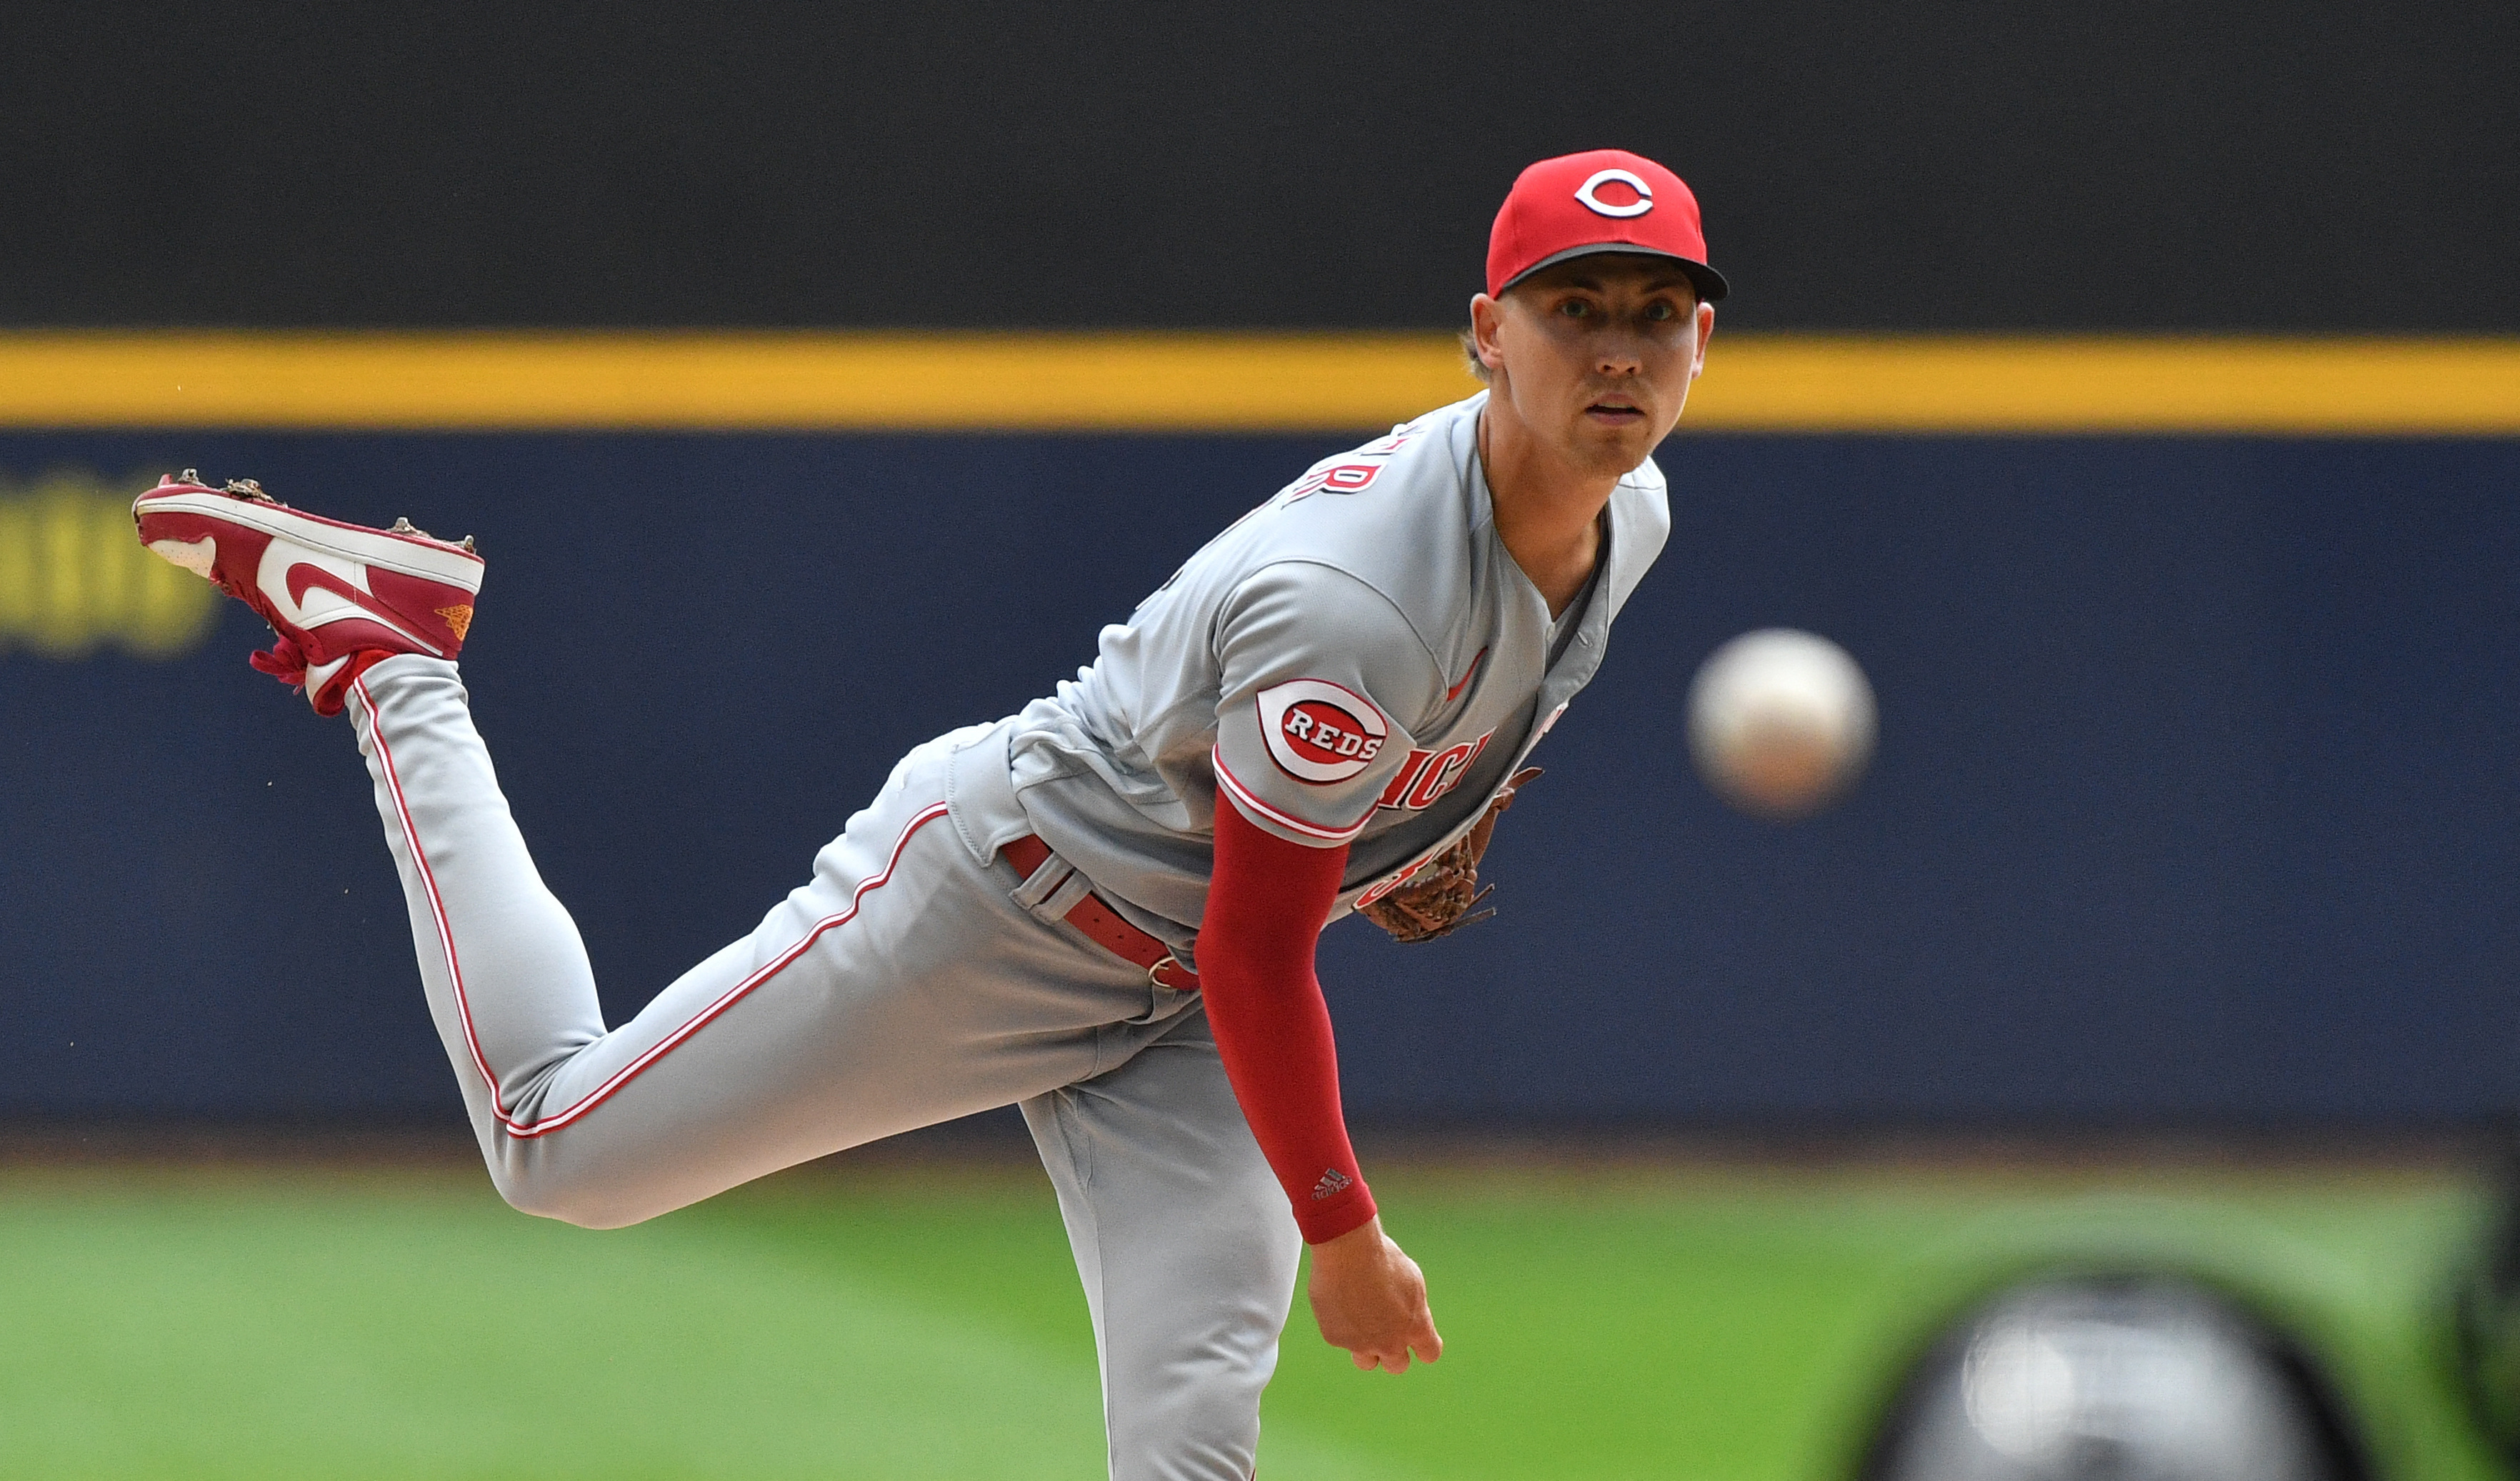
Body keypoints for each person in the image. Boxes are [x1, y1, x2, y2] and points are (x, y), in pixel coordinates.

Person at [134, 147, 1724, 1481]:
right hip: (1000, 911)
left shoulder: (1625, 514)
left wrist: (1436, 828)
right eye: (1572, 309)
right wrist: (1342, 1225)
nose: (1618, 349)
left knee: (1191, 1437)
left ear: (1703, 349)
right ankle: (399, 656)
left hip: (1166, 1001)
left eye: (1660, 315)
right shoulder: (1352, 601)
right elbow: (1258, 952)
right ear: (1483, 335)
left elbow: (1487, 702)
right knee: (560, 1147)